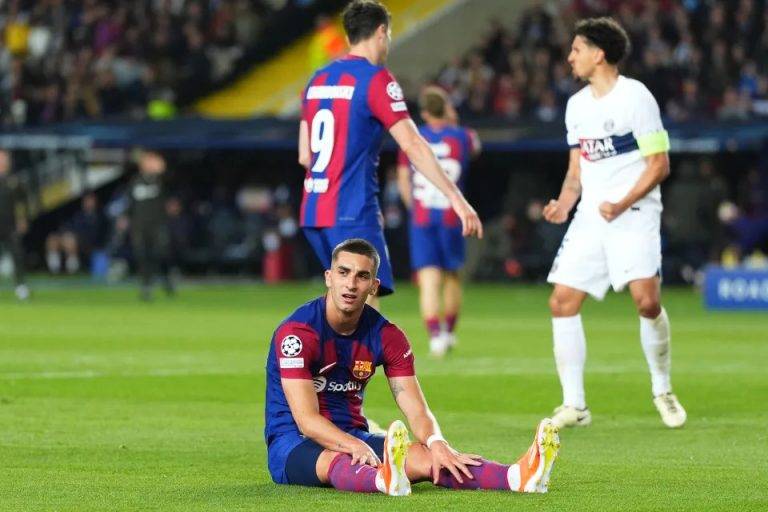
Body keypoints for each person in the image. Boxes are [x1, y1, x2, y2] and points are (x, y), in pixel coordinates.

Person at [264, 238, 560, 495]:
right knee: (334, 460)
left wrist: (437, 442)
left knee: (428, 457)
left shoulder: (387, 336)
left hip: (353, 433)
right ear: (329, 277)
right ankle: (383, 479)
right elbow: (306, 420)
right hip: (294, 443)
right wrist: (354, 446)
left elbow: (416, 408)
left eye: (362, 276)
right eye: (343, 273)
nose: (351, 284)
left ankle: (517, 477)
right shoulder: (298, 334)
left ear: (374, 286)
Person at [543, 18, 686, 429]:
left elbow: (659, 164)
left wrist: (622, 201)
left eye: (576, 49)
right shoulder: (577, 105)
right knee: (562, 302)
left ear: (598, 53)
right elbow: (577, 169)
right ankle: (575, 405)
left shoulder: (636, 97)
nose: (570, 57)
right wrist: (565, 204)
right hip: (592, 217)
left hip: (634, 213)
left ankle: (662, 389)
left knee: (647, 301)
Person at [298, 0, 482, 309]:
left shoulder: (317, 80)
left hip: (314, 209)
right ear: (382, 32)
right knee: (364, 306)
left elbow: (305, 155)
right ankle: (360, 361)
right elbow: (413, 145)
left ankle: (339, 359)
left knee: (342, 302)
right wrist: (457, 199)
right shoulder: (376, 79)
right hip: (352, 208)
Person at [396, 86, 481, 356]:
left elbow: (402, 180)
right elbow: (476, 149)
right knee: (452, 276)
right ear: (446, 107)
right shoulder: (464, 136)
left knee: (428, 278)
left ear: (422, 112)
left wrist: (414, 208)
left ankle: (434, 336)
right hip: (451, 216)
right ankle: (448, 331)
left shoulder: (412, 136)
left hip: (422, 217)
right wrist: (453, 120)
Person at [127, 150, 174, 301]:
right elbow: (130, 203)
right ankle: (146, 286)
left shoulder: (160, 180)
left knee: (160, 254)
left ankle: (166, 278)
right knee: (141, 255)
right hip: (139, 225)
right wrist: (125, 218)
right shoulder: (135, 181)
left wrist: (162, 169)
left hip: (157, 224)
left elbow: (172, 184)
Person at [0, 149, 30, 300]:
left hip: (10, 224)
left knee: (17, 253)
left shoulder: (14, 180)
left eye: (4, 158)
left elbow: (22, 203)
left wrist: (22, 219)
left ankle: (21, 286)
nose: (3, 161)